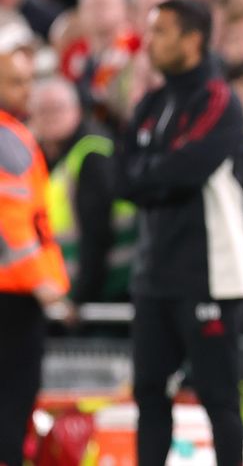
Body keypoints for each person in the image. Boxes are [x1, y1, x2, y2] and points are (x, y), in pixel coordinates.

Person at [115, 0, 243, 466]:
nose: (149, 42)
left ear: (193, 40)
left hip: (210, 274)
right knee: (149, 393)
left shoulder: (218, 99)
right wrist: (154, 175)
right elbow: (123, 178)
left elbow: (189, 168)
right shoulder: (152, 103)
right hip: (153, 275)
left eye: (160, 32)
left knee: (220, 397)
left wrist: (148, 176)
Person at [0, 40, 70, 466]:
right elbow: (10, 223)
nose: (27, 90)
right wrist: (43, 284)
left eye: (28, 81)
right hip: (13, 295)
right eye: (15, 82)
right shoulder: (7, 138)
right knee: (11, 408)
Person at [28, 76, 136, 310]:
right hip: (79, 288)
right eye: (43, 110)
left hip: (107, 292)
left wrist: (80, 298)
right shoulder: (47, 154)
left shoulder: (91, 153)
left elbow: (97, 232)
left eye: (58, 108)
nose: (51, 117)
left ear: (77, 109)